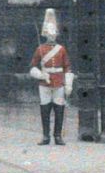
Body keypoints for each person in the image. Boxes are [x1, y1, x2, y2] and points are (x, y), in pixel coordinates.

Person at [28, 8, 72, 145]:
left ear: (56, 35)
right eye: (49, 34)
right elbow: (32, 66)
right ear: (45, 34)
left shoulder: (61, 49)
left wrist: (68, 84)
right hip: (44, 83)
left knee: (59, 109)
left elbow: (67, 67)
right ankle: (46, 136)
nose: (51, 36)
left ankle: (58, 136)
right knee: (45, 109)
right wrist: (41, 75)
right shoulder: (40, 49)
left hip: (59, 81)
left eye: (53, 34)